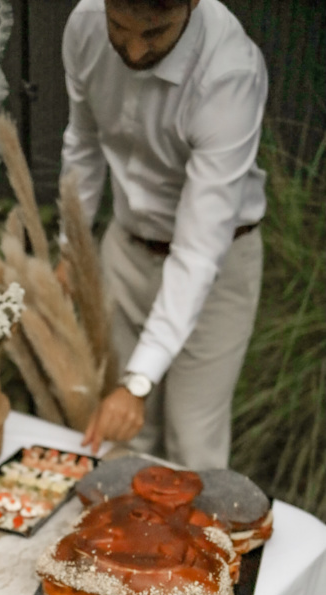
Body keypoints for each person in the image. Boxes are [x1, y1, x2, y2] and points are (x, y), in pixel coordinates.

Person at [61, 0, 267, 468]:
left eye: (153, 34)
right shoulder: (83, 24)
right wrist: (72, 249)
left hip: (216, 265)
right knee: (127, 444)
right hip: (125, 247)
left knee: (193, 442)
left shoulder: (229, 72)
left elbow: (198, 249)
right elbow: (83, 142)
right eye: (119, 27)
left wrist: (136, 384)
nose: (133, 50)